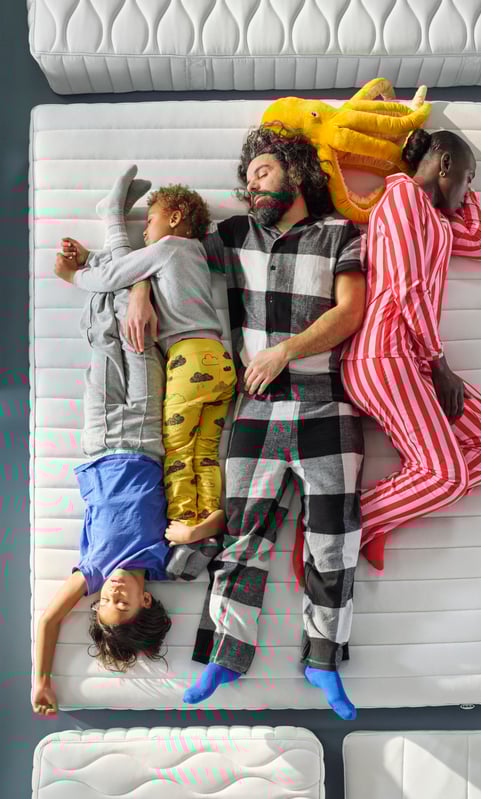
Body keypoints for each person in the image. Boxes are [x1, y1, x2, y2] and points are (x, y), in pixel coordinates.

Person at [127, 124, 367, 719]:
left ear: (295, 171)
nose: (251, 183)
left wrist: (286, 350)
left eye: (262, 171)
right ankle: (227, 657)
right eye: (247, 177)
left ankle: (323, 661)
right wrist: (136, 291)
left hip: (326, 405)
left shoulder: (340, 233)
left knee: (333, 543)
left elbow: (352, 311)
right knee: (242, 541)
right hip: (253, 412)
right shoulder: (231, 235)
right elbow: (167, 254)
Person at [32, 174, 216, 717]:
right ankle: (110, 225)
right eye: (123, 603)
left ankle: (104, 242)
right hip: (144, 434)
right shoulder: (166, 563)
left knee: (103, 336)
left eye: (105, 605)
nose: (111, 595)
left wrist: (41, 678)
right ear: (146, 601)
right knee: (135, 334)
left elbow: (47, 619)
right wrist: (200, 527)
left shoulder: (90, 571)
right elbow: (209, 530)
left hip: (97, 441)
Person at [338, 128, 481, 571]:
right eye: (469, 176)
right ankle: (337, 526)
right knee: (447, 475)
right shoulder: (400, 200)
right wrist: (440, 363)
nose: (471, 188)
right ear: (443, 164)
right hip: (383, 356)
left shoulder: (435, 221)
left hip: (411, 360)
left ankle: (380, 516)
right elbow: (405, 288)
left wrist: (459, 191)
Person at [57, 166, 235, 542]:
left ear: (175, 218)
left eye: (149, 221)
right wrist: (90, 256)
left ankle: (187, 520)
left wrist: (74, 275)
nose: (144, 231)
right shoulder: (197, 253)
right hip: (218, 360)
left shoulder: (166, 247)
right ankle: (208, 515)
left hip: (188, 362)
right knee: (204, 449)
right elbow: (130, 271)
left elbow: (114, 278)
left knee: (178, 449)